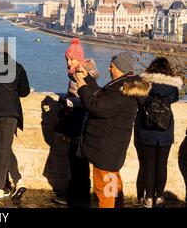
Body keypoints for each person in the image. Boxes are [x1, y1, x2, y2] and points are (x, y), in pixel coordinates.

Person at [72, 52, 151, 208]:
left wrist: (82, 88)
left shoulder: (121, 89)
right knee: (113, 189)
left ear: (120, 69)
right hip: (111, 146)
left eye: (112, 66)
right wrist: (87, 78)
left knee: (105, 193)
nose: (109, 68)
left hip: (105, 147)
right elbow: (101, 95)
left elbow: (98, 106)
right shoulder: (126, 85)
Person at [0, 41, 30, 200]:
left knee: (3, 148)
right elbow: (25, 92)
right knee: (4, 149)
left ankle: (18, 180)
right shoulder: (17, 67)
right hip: (10, 112)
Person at [56, 38, 99, 207]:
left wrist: (66, 101)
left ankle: (78, 198)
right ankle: (78, 197)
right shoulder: (77, 73)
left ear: (79, 59)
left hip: (81, 123)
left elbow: (86, 99)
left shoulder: (81, 74)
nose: (68, 62)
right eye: (67, 59)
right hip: (79, 122)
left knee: (77, 162)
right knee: (77, 162)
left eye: (71, 59)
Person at [136, 57, 182, 208]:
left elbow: (140, 101)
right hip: (165, 131)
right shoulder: (173, 88)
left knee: (148, 165)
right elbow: (174, 99)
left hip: (147, 131)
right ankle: (160, 197)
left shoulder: (145, 84)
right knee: (162, 165)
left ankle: (148, 198)